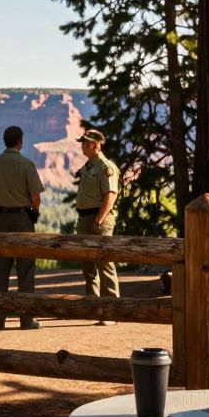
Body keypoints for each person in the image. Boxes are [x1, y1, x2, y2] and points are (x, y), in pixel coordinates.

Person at [0, 126, 46, 330]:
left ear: (4, 141)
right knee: (25, 270)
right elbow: (36, 197)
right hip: (22, 220)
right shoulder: (26, 164)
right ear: (20, 142)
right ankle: (26, 320)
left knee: (0, 269)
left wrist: (0, 203)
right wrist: (33, 209)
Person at [74, 129, 121, 325]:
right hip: (85, 219)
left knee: (104, 264)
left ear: (96, 145)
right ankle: (93, 307)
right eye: (82, 142)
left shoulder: (105, 167)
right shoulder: (88, 166)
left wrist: (98, 222)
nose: (83, 146)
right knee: (88, 266)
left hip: (98, 219)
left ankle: (110, 312)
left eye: (86, 143)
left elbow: (110, 196)